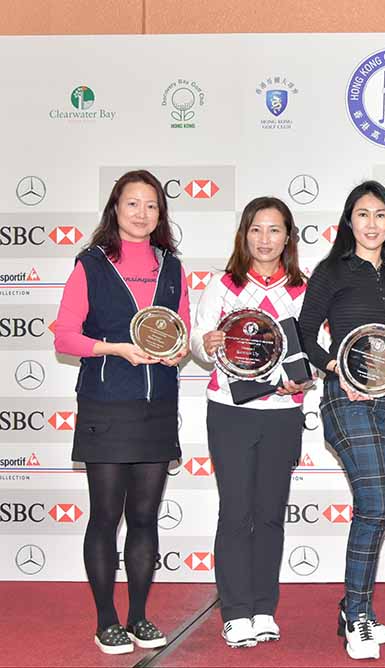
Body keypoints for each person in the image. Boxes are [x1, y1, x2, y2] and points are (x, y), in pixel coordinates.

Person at [54, 170, 189, 654]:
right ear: (115, 209)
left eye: (151, 206)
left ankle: (137, 616)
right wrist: (115, 349)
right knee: (106, 516)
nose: (142, 214)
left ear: (161, 213)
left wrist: (177, 352)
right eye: (133, 204)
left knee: (146, 517)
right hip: (107, 404)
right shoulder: (90, 264)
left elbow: (181, 331)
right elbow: (65, 335)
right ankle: (106, 619)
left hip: (157, 406)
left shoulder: (170, 265)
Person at [298, 181, 385, 661]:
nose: (372, 223)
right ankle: (360, 617)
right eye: (363, 214)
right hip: (346, 399)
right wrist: (336, 368)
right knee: (375, 505)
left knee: (374, 507)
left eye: (380, 215)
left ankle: (354, 605)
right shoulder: (332, 271)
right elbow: (305, 334)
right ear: (349, 222)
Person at [190, 196, 312, 649]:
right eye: (256, 229)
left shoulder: (302, 287)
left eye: (274, 229)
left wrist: (299, 380)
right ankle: (235, 611)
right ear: (244, 235)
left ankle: (264, 609)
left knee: (269, 515)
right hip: (230, 411)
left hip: (282, 414)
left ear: (288, 237)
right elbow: (201, 347)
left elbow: (312, 350)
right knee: (235, 512)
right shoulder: (224, 285)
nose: (265, 239)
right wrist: (210, 342)